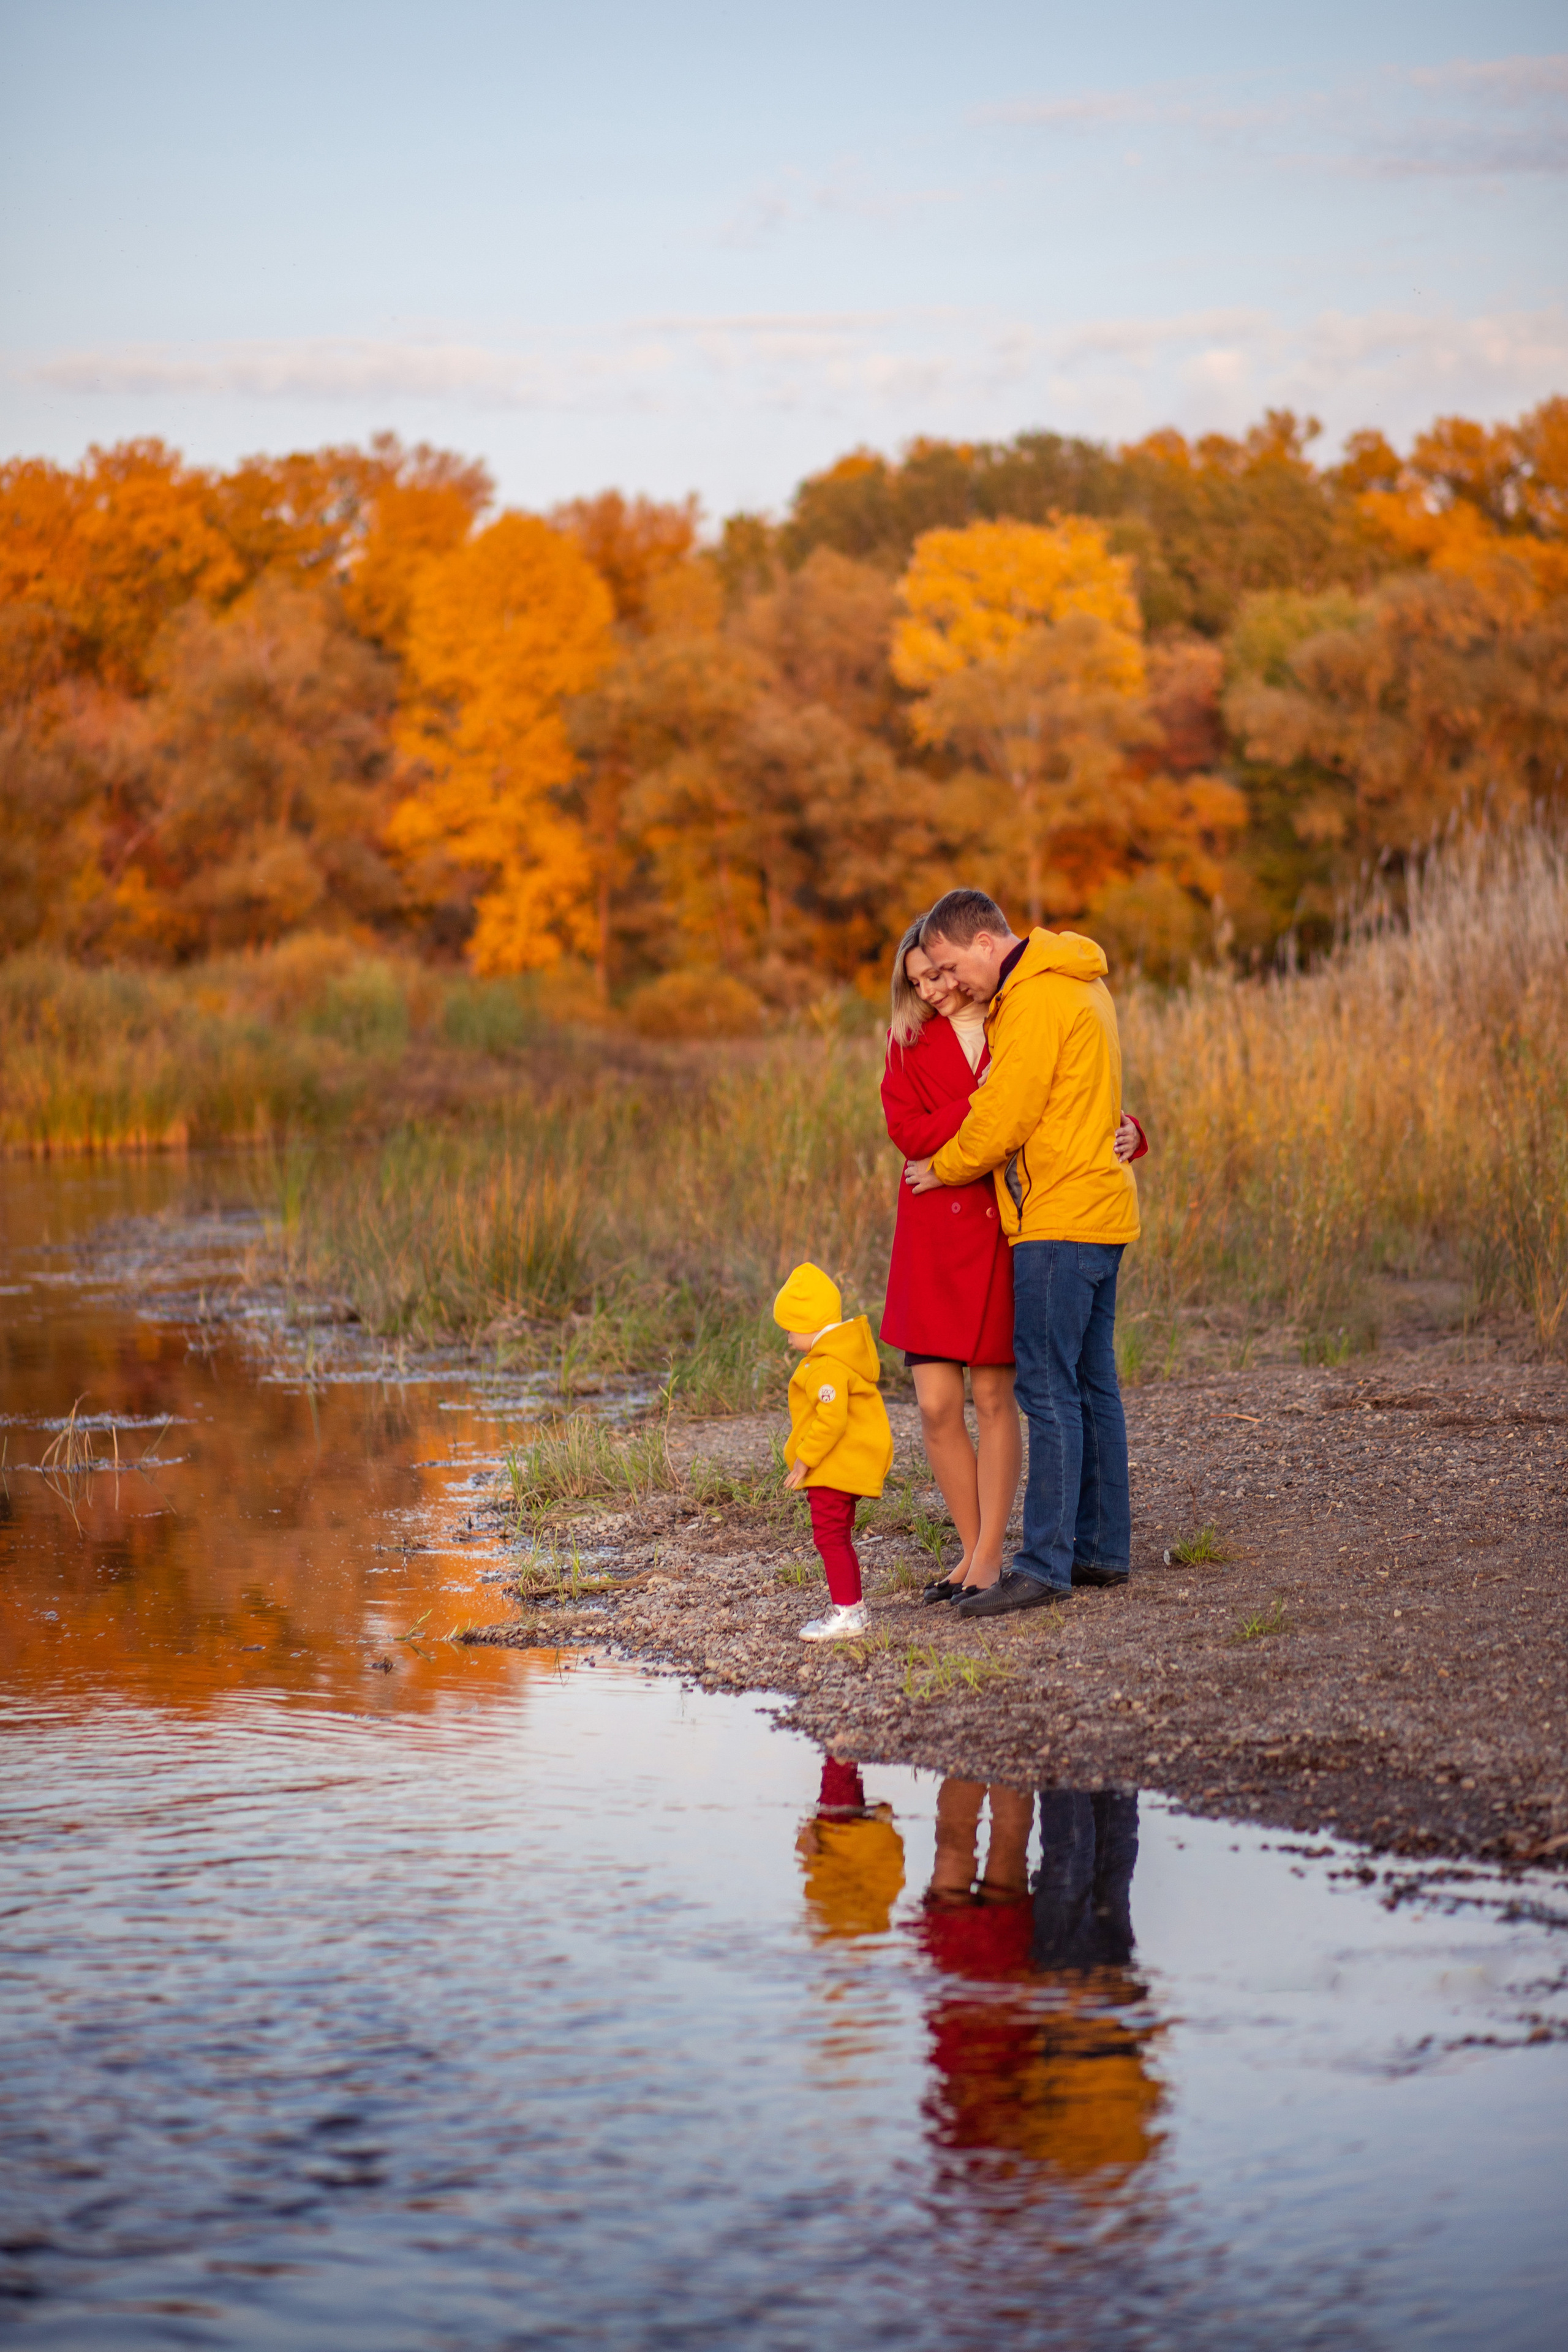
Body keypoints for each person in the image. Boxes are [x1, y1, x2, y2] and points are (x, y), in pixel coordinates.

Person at [883, 913, 1146, 1604]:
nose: (940, 986)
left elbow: (1028, 1108)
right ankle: (1046, 1553)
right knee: (1050, 1391)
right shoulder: (1061, 988)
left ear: (977, 949)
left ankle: (1022, 1562)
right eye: (922, 978)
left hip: (1028, 1219)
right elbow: (908, 1127)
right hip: (971, 1228)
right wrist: (988, 1121)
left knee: (1034, 1393)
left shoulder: (1021, 1004)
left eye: (943, 970)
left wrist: (953, 1158)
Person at [774, 1261, 895, 1641]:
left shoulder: (826, 1366)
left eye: (791, 1329)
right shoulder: (835, 1358)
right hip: (839, 1465)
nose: (789, 1338)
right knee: (835, 1536)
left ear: (811, 1324)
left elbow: (832, 1420)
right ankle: (851, 1608)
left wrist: (805, 1458)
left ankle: (847, 1611)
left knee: (829, 1537)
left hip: (833, 1467)